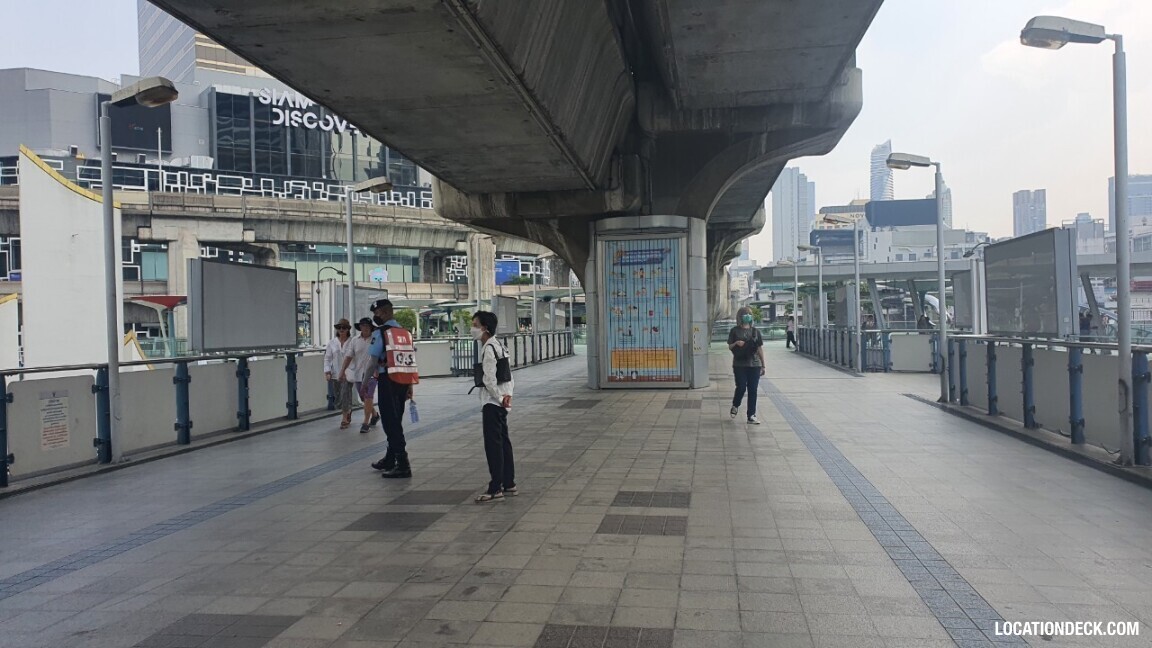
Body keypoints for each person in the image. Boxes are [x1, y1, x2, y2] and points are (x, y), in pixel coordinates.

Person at [471, 311, 517, 503]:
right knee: (503, 442)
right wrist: (507, 396)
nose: (472, 329)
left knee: (493, 445)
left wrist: (498, 398)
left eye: (475, 325)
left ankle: (495, 488)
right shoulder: (500, 345)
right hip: (502, 400)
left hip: (492, 403)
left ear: (485, 328)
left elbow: (489, 380)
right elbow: (509, 376)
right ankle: (509, 482)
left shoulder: (489, 348)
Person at [367, 300, 414, 478]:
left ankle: (403, 464)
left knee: (390, 423)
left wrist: (364, 382)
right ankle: (390, 457)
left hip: (387, 380)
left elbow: (372, 361)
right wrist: (409, 385)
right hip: (402, 380)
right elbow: (409, 360)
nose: (375, 317)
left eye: (377, 313)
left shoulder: (381, 333)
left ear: (385, 313)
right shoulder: (404, 332)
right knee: (395, 420)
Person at [340, 317, 380, 434]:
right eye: (363, 326)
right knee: (364, 398)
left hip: (372, 373)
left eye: (367, 326)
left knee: (368, 396)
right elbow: (348, 357)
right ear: (360, 327)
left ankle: (365, 423)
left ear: (371, 327)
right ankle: (374, 414)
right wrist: (342, 371)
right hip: (358, 374)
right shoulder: (354, 341)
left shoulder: (376, 339)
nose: (365, 328)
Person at [728, 307, 765, 425]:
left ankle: (751, 415)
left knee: (753, 389)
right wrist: (736, 343)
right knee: (741, 387)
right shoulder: (734, 331)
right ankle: (736, 404)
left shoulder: (756, 331)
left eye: (749, 314)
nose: (748, 316)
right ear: (740, 316)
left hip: (755, 364)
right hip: (740, 364)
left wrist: (763, 365)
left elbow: (759, 348)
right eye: (745, 314)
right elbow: (730, 346)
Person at [324, 319, 356, 429]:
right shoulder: (332, 343)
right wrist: (327, 371)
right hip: (335, 373)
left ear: (348, 329)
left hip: (348, 373)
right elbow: (327, 358)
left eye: (344, 327)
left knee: (345, 393)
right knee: (338, 398)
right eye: (339, 327)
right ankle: (348, 411)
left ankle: (344, 418)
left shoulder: (352, 342)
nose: (341, 329)